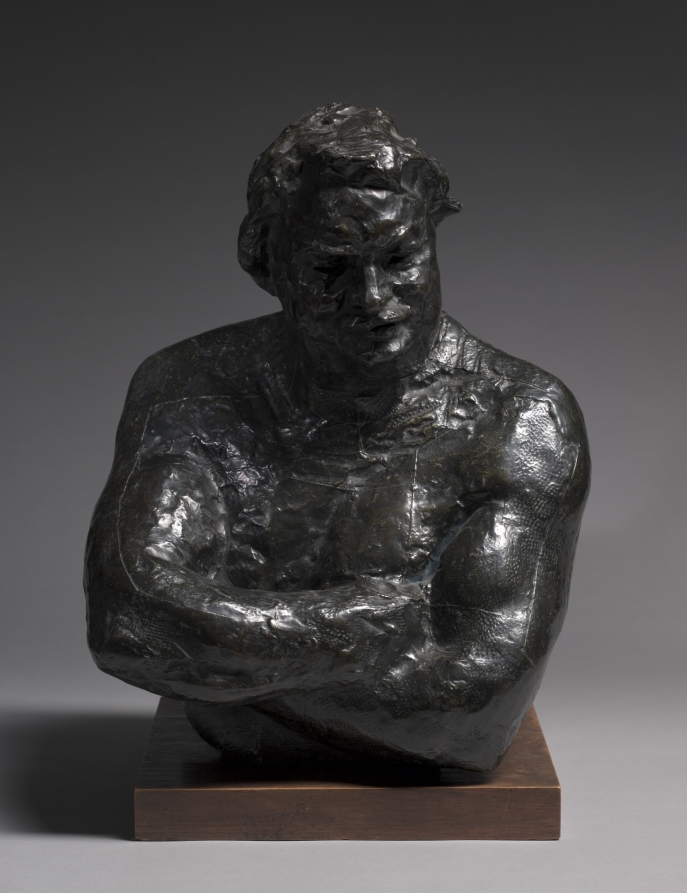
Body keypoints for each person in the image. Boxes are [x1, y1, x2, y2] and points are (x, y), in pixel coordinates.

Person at [85, 104, 590, 770]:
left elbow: (473, 709)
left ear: (432, 244)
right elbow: (130, 621)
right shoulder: (188, 389)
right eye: (330, 270)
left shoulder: (521, 419)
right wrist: (361, 623)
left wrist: (220, 671)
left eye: (401, 258)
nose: (374, 299)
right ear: (267, 264)